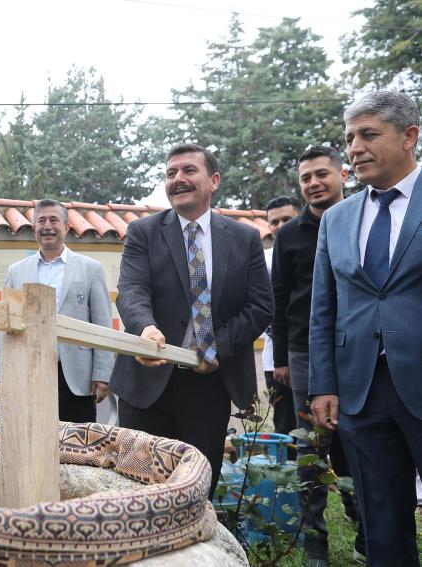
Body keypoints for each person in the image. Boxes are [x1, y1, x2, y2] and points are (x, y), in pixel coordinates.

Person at [109, 143, 273, 499]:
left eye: (188, 171)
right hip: (147, 382)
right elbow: (132, 290)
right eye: (171, 173)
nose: (178, 179)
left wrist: (219, 345)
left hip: (209, 384)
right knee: (139, 486)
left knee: (198, 488)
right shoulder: (143, 232)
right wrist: (144, 328)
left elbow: (260, 307)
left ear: (213, 180)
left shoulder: (244, 239)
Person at [310, 90, 422, 567]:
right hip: (359, 392)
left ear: (410, 137)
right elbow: (322, 310)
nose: (354, 148)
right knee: (381, 519)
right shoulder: (336, 219)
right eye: (350, 137)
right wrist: (324, 385)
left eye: (368, 134)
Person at [271, 146, 364, 566]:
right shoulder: (289, 234)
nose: (313, 183)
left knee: (359, 441)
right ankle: (314, 543)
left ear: (342, 175)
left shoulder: (361, 218)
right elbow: (278, 300)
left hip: (358, 347)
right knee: (310, 447)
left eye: (321, 174)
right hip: (304, 353)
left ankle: (363, 526)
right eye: (306, 177)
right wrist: (282, 360)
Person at [0, 198, 114, 423]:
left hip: (77, 376)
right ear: (34, 229)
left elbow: (102, 324)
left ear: (67, 227)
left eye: (54, 220)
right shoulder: (16, 272)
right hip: (30, 373)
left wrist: (102, 374)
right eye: (41, 221)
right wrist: (2, 376)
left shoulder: (90, 269)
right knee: (33, 441)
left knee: (78, 447)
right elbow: (5, 329)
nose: (47, 226)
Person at [263, 196, 299, 439]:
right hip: (274, 359)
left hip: (311, 354)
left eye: (287, 219)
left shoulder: (317, 248)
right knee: (285, 426)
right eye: (274, 221)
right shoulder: (262, 258)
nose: (280, 225)